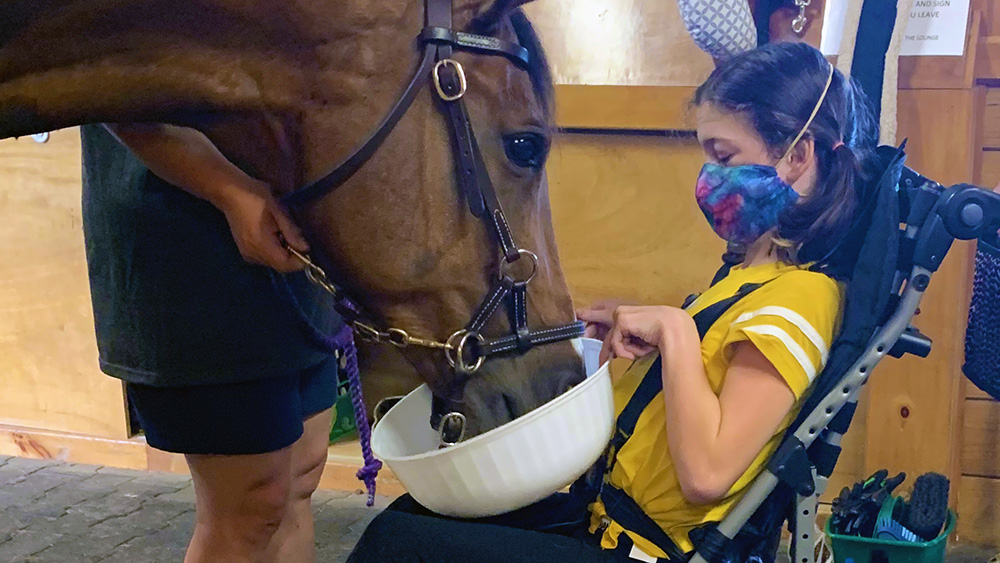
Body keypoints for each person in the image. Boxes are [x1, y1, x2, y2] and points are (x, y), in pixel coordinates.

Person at [344, 41, 876, 562]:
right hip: (604, 521)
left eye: (724, 155)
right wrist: (628, 334)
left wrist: (675, 329)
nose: (709, 175)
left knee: (397, 546)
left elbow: (708, 475)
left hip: (647, 550)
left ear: (798, 154)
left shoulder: (801, 301)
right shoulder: (747, 276)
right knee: (409, 520)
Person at [81, 122, 342, 563]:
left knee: (301, 475)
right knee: (251, 505)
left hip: (292, 215)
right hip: (190, 231)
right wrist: (229, 190)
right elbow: (103, 83)